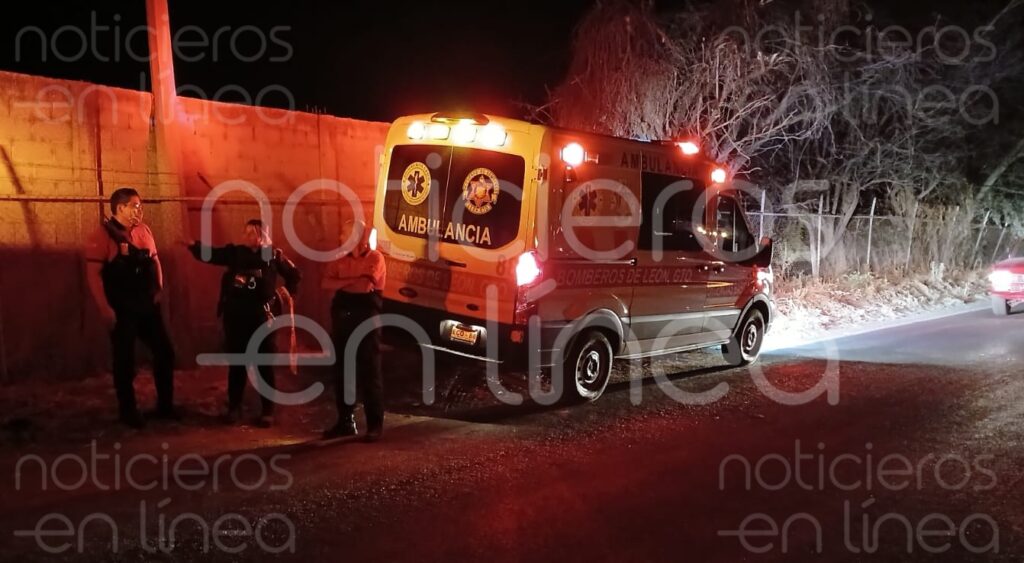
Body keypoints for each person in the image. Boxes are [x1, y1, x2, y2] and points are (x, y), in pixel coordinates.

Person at [185, 219, 301, 428]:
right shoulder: (235, 253)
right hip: (236, 316)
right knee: (238, 363)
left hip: (262, 317)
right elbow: (213, 255)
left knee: (264, 364)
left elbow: (294, 275)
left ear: (262, 235)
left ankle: (267, 410)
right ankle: (234, 407)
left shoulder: (274, 255)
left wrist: (282, 295)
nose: (246, 236)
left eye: (251, 233)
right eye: (244, 232)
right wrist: (194, 245)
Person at [85, 187, 177, 429]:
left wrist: (159, 288)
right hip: (121, 308)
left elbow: (155, 260)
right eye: (134, 206)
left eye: (141, 206)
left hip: (146, 305)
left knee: (165, 352)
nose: (139, 210)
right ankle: (128, 411)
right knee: (124, 360)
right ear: (120, 208)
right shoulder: (102, 236)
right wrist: (105, 308)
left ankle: (165, 407)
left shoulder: (144, 231)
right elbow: (93, 275)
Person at [322, 220, 386, 441]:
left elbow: (365, 286)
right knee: (343, 372)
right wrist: (352, 281)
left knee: (370, 372)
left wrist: (341, 281)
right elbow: (325, 283)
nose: (341, 237)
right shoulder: (339, 257)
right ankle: (345, 422)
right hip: (343, 321)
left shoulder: (375, 258)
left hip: (367, 321)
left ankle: (375, 425)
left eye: (345, 233)